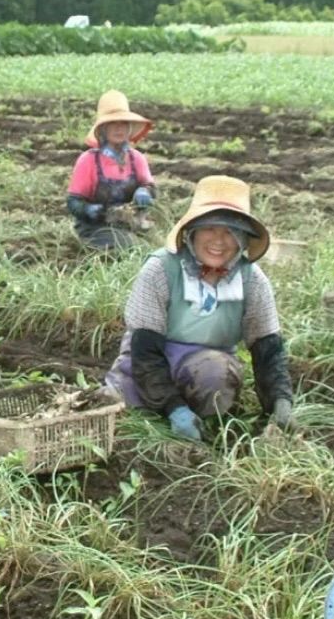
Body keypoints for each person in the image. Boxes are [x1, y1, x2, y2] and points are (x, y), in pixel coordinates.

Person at [103, 175, 294, 441]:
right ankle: (168, 415)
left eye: (230, 231)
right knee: (121, 418)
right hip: (146, 368)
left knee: (215, 373)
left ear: (242, 239)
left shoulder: (252, 280)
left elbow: (268, 350)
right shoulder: (161, 269)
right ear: (191, 232)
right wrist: (174, 408)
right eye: (210, 229)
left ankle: (206, 427)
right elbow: (144, 351)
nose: (219, 240)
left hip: (204, 373)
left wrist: (280, 402)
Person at [66, 89, 157, 251]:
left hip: (132, 224)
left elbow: (151, 188)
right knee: (128, 245)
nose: (118, 129)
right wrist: (87, 210)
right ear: (102, 129)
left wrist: (145, 192)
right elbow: (73, 202)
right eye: (112, 124)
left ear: (129, 128)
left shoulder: (137, 159)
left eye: (123, 123)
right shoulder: (88, 161)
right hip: (96, 228)